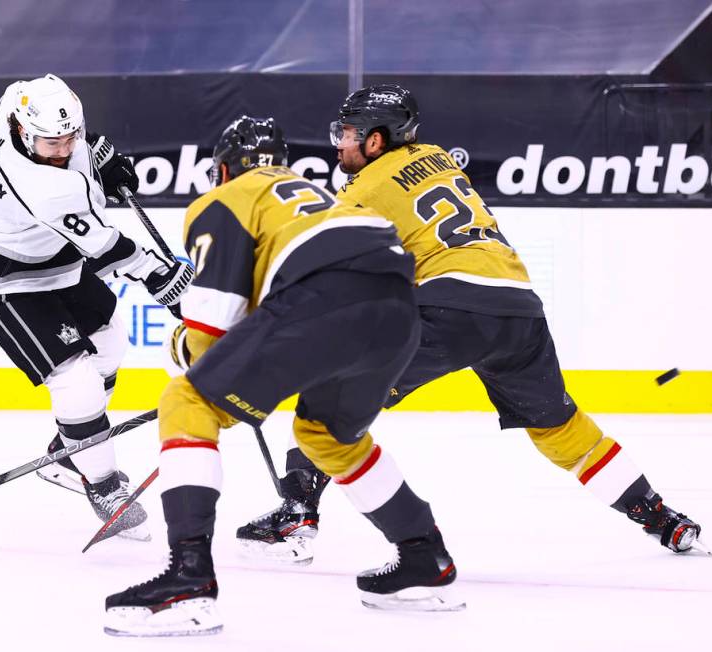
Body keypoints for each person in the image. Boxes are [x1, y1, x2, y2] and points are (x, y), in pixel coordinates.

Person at [237, 84, 707, 563]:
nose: (340, 142)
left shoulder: (364, 190)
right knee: (560, 427)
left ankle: (297, 513)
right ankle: (659, 517)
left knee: (329, 397)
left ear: (377, 141)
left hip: (448, 308)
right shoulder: (438, 157)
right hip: (519, 308)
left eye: (350, 132)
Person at [103, 116, 465, 638]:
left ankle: (188, 580)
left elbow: (208, 339)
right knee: (326, 438)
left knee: (187, 402)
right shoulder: (315, 197)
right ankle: (425, 560)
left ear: (222, 168)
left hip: (324, 300)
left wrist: (179, 349)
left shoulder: (223, 200)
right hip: (398, 308)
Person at [0, 74, 193, 541]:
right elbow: (111, 248)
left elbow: (70, 140)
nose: (60, 150)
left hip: (51, 255)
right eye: (49, 144)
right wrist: (166, 281)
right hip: (1, 275)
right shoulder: (41, 187)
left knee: (113, 339)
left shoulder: (18, 100)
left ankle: (70, 446)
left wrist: (96, 153)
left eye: (67, 138)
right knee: (74, 380)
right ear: (21, 131)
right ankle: (99, 483)